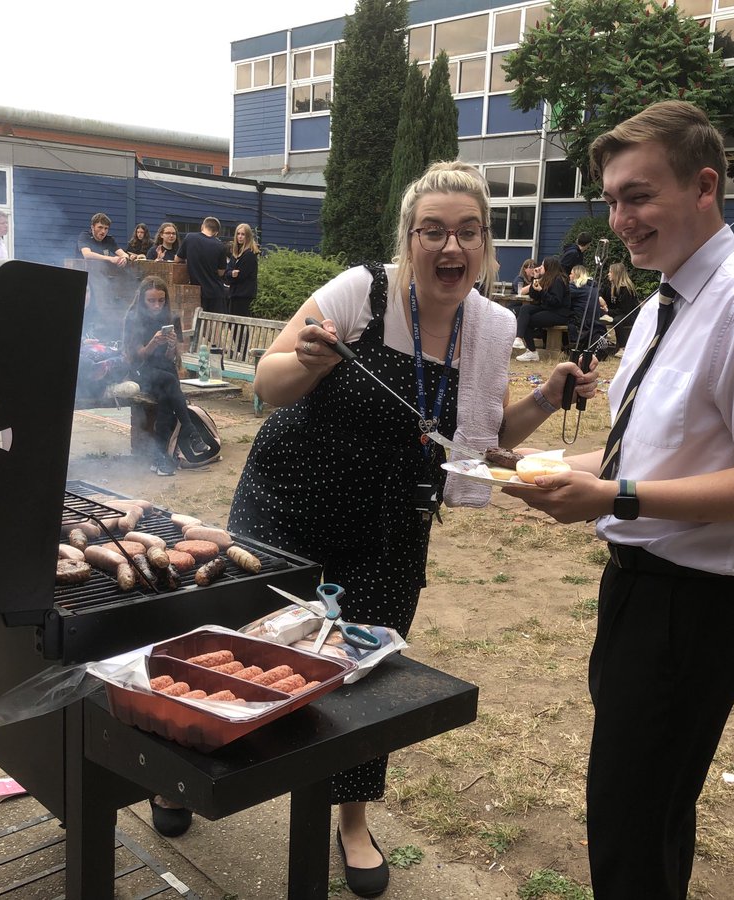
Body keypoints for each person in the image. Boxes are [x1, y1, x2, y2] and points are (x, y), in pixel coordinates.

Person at [222, 160, 597, 898]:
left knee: (366, 675)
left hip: (390, 529)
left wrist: (547, 398)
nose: (451, 246)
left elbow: (478, 441)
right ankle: (191, 770)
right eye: (433, 231)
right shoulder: (361, 292)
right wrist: (307, 361)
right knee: (247, 651)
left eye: (468, 231)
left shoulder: (491, 327)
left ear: (485, 244)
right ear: (409, 238)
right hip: (287, 506)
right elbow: (266, 382)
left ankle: (352, 820)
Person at [506, 100, 734, 899]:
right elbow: (637, 457)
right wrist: (528, 464)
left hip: (698, 608)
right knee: (645, 816)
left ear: (704, 187)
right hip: (636, 593)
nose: (621, 220)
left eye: (638, 196)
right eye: (613, 200)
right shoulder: (660, 305)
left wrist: (615, 496)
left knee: (631, 828)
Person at [121, 275, 215, 476]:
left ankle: (159, 458)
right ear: (142, 300)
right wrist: (153, 343)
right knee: (170, 381)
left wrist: (171, 346)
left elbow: (171, 358)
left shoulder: (171, 318)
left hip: (163, 371)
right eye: (151, 301)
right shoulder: (133, 318)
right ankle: (191, 431)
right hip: (141, 371)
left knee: (165, 400)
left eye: (161, 300)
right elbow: (137, 356)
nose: (157, 305)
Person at [514, 256, 571, 362]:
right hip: (547, 308)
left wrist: (541, 291)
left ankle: (532, 351)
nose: (540, 267)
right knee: (525, 309)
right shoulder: (546, 278)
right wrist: (535, 278)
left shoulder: (558, 280)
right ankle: (518, 338)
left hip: (558, 313)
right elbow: (534, 295)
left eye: (543, 265)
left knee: (527, 321)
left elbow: (556, 302)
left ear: (549, 267)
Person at [180, 216, 228, 313]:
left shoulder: (190, 238)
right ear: (217, 232)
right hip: (215, 293)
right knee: (214, 321)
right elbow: (221, 272)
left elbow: (177, 259)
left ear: (202, 226)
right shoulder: (220, 246)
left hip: (196, 292)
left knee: (197, 320)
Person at [599, 261, 639, 350]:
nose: (608, 274)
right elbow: (600, 292)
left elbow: (625, 310)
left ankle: (622, 347)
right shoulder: (609, 285)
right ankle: (602, 344)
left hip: (629, 314)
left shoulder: (626, 289)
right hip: (614, 312)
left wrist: (608, 311)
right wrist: (600, 297)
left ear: (617, 274)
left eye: (610, 272)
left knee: (618, 320)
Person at [225, 223, 260, 317]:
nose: (240, 237)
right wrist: (231, 274)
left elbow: (240, 276)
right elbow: (227, 272)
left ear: (248, 236)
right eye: (238, 234)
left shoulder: (249, 255)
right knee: (233, 322)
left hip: (243, 295)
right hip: (234, 293)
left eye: (243, 234)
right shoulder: (236, 254)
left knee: (238, 322)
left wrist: (230, 275)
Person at [510, 259, 539, 344]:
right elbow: (521, 291)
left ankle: (528, 342)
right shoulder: (519, 279)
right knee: (524, 314)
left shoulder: (535, 279)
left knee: (530, 315)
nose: (533, 270)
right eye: (531, 267)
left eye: (534, 267)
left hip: (528, 306)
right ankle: (518, 339)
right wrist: (533, 285)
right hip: (516, 305)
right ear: (525, 269)